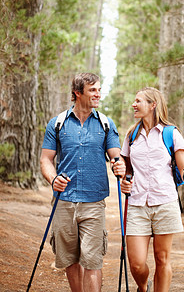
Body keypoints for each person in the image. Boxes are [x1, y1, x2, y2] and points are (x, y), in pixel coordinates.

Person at [40, 72, 125, 292]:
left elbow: (116, 155)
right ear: (78, 93)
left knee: (92, 260)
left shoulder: (106, 124)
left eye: (99, 89)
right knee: (70, 259)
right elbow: (46, 160)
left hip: (94, 202)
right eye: (93, 90)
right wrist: (53, 178)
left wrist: (119, 164)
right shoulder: (57, 124)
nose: (98, 94)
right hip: (63, 201)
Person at [120, 87, 184, 292]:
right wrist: (124, 180)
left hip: (164, 201)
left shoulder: (171, 133)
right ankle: (144, 287)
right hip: (137, 204)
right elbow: (126, 169)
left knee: (162, 259)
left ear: (152, 105)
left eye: (138, 101)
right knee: (136, 263)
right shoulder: (131, 134)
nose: (133, 105)